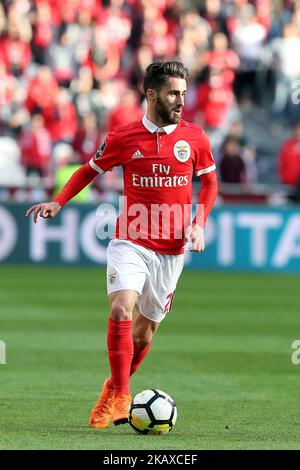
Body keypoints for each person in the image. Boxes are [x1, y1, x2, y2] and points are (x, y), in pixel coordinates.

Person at [26, 61, 218, 429]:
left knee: (145, 332)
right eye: (173, 93)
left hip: (172, 250)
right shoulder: (123, 137)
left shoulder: (195, 138)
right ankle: (124, 397)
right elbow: (88, 170)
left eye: (183, 93)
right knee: (120, 311)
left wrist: (199, 223)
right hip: (130, 238)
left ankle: (111, 389)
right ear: (151, 94)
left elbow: (209, 184)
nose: (181, 100)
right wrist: (58, 201)